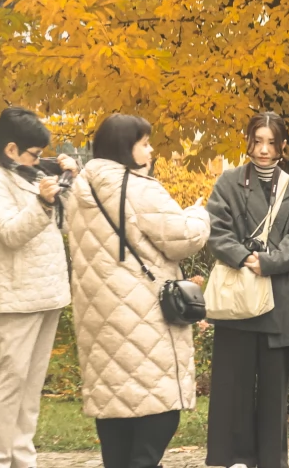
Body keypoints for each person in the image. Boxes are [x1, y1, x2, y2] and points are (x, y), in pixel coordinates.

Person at [64, 114, 211, 468]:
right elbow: (183, 238)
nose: (150, 150)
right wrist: (200, 213)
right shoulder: (139, 188)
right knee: (160, 413)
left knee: (114, 410)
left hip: (98, 316)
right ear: (124, 148)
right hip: (143, 316)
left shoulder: (80, 190)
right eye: (144, 143)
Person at [204, 112, 289, 468]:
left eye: (271, 142)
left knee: (272, 391)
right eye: (257, 140)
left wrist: (266, 262)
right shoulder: (228, 182)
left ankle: (270, 460)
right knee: (232, 387)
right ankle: (234, 457)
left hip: (277, 298)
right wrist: (243, 257)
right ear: (248, 140)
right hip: (238, 296)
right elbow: (216, 230)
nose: (263, 150)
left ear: (282, 145)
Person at [0, 107, 76, 468]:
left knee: (31, 388)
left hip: (47, 292)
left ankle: (21, 457)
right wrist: (42, 201)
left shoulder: (30, 175)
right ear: (11, 149)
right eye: (34, 153)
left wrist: (67, 183)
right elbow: (11, 233)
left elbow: (64, 225)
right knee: (10, 384)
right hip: (13, 298)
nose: (38, 160)